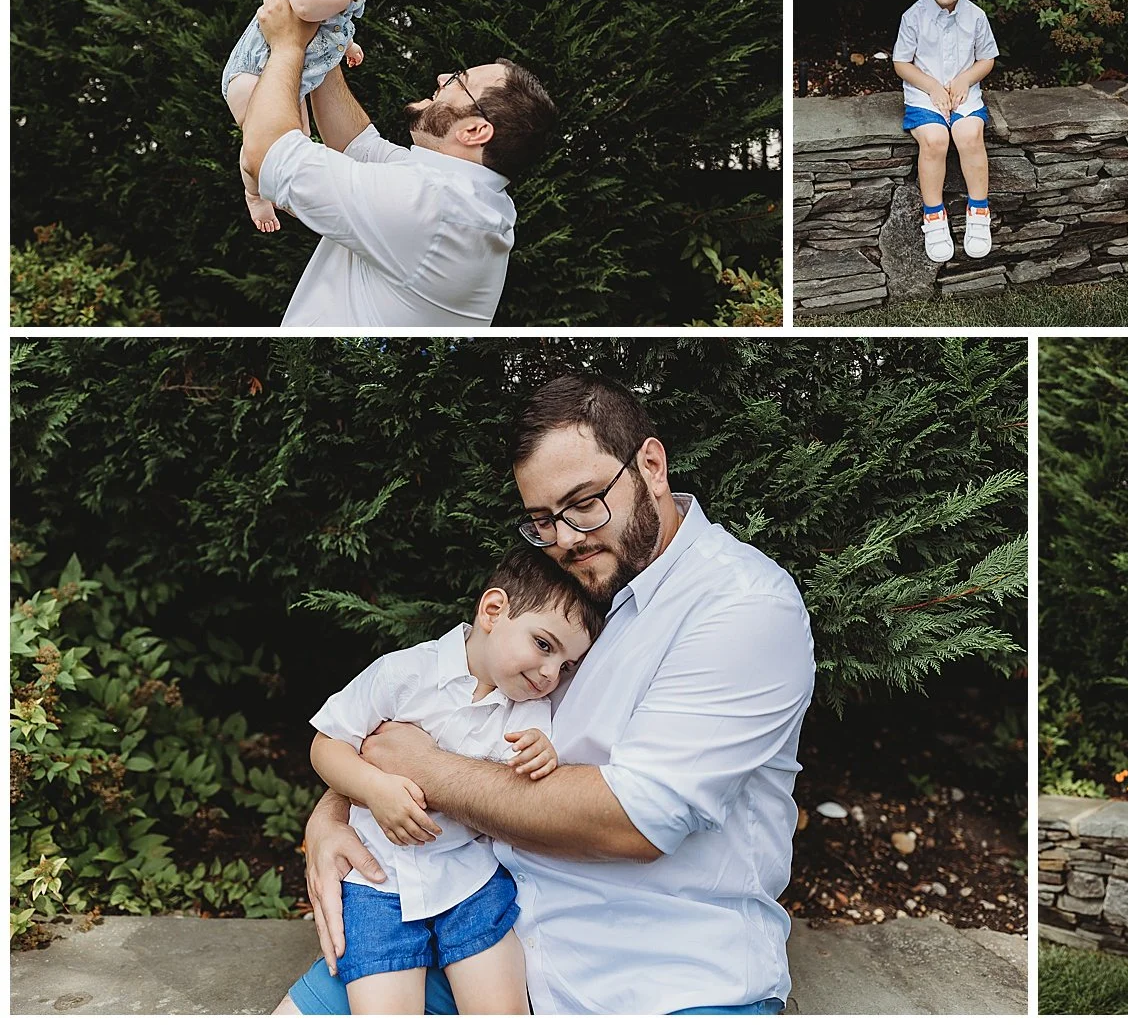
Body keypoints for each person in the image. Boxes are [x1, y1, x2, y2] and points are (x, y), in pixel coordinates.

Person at [275, 373, 816, 1014]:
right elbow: (446, 716)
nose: (565, 538)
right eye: (542, 521)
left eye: (583, 503)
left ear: (651, 465)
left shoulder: (742, 605)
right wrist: (339, 807)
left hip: (659, 977)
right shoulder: (569, 598)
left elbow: (635, 820)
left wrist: (415, 767)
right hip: (479, 925)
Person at [306, 547, 603, 1013]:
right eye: (544, 645)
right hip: (379, 881)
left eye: (567, 666)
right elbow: (327, 745)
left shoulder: (531, 712)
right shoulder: (404, 674)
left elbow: (529, 793)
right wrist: (373, 788)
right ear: (493, 610)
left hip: (470, 880)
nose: (550, 673)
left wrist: (545, 754)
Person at [240, 0, 558, 328]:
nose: (442, 77)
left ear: (474, 131)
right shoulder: (460, 194)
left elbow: (266, 153)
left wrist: (288, 44)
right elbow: (357, 146)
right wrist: (323, 33)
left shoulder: (433, 207)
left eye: (458, 81)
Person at [223, 0, 390, 234]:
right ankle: (254, 192)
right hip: (252, 73)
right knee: (263, 140)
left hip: (290, 80)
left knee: (293, 143)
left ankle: (282, 192)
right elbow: (304, 8)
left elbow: (334, 28)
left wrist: (348, 46)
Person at [892, 0, 999, 263]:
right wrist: (933, 87)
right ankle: (934, 216)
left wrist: (966, 78)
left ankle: (979, 211)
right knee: (936, 141)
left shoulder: (976, 17)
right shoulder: (914, 17)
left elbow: (987, 59)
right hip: (926, 97)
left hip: (964, 97)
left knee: (969, 135)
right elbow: (901, 63)